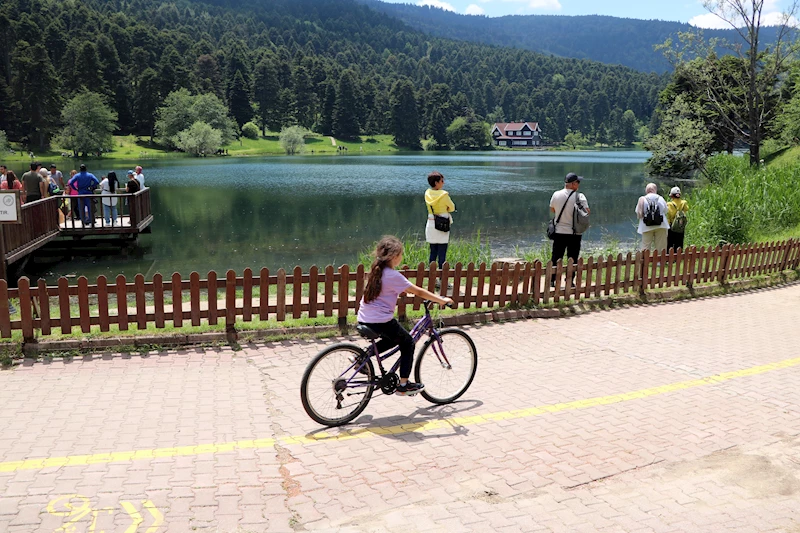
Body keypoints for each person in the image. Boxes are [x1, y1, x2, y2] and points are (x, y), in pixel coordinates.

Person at [357, 236, 453, 396]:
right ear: (394, 257)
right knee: (408, 342)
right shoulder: (393, 276)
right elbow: (419, 291)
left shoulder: (376, 270)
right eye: (401, 255)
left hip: (365, 318)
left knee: (392, 339)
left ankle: (362, 359)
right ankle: (403, 385)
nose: (401, 257)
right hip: (380, 321)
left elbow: (384, 292)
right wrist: (441, 299)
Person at [549, 172, 590, 286]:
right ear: (573, 184)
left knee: (556, 256)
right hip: (574, 233)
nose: (579, 184)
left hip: (559, 231)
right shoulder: (579, 196)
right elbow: (587, 212)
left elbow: (552, 209)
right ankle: (569, 281)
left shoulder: (556, 194)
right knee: (572, 257)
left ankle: (552, 280)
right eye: (578, 182)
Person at [424, 171, 455, 269]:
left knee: (433, 252)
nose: (443, 182)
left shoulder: (427, 193)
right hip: (442, 224)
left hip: (431, 223)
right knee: (442, 253)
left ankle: (432, 278)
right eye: (442, 180)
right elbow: (452, 207)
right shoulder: (444, 195)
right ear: (436, 183)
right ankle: (442, 278)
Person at [636, 183, 670, 252]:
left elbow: (638, 212)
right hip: (661, 225)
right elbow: (666, 210)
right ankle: (660, 262)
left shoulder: (642, 199)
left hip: (646, 226)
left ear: (646, 190)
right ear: (655, 190)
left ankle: (646, 261)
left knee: (646, 245)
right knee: (661, 245)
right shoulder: (660, 198)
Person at [666, 186, 689, 252]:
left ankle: (669, 257)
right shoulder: (684, 203)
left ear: (671, 196)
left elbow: (669, 215)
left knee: (670, 242)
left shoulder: (669, 204)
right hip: (680, 225)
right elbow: (687, 209)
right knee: (679, 241)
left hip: (671, 225)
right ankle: (678, 256)